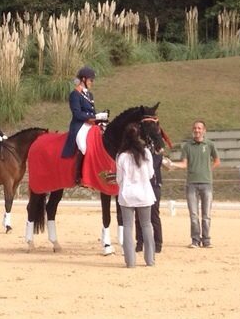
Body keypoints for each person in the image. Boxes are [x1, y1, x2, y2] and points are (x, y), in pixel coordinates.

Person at [169, 119, 220, 248]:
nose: (197, 130)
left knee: (206, 214)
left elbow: (217, 161)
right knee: (193, 214)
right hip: (191, 184)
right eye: (195, 128)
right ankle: (195, 240)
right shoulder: (187, 146)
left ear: (204, 130)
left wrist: (208, 170)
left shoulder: (209, 145)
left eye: (199, 128)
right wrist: (172, 164)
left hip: (206, 183)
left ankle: (206, 239)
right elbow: (184, 164)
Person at [115, 122, 156, 268]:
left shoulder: (121, 156)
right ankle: (150, 260)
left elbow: (119, 178)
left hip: (127, 194)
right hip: (144, 193)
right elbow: (151, 174)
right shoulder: (146, 153)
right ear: (139, 136)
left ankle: (130, 261)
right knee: (146, 225)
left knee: (127, 226)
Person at [61, 65, 107, 184]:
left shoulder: (89, 95)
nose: (92, 82)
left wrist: (99, 117)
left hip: (91, 124)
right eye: (91, 80)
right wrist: (90, 118)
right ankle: (78, 175)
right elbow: (77, 114)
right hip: (80, 125)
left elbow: (93, 112)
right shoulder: (75, 94)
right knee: (83, 145)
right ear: (83, 80)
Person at [135, 145, 164, 254]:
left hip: (154, 186)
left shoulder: (157, 154)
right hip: (141, 186)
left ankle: (158, 243)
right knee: (138, 216)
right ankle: (139, 242)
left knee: (154, 215)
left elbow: (152, 167)